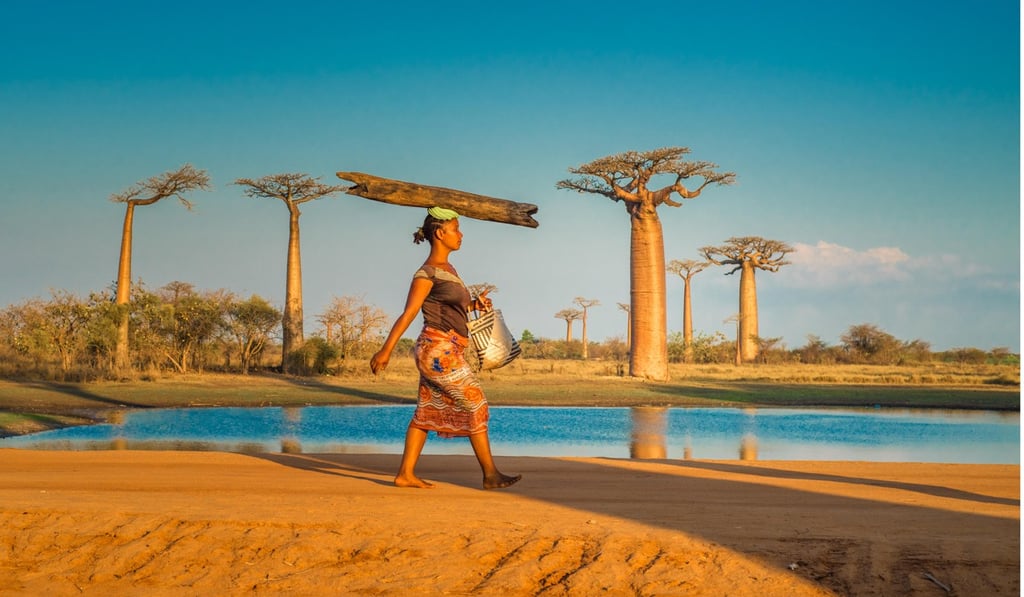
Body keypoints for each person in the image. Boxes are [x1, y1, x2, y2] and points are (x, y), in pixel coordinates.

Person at [370, 206, 522, 490]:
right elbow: (409, 312)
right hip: (438, 350)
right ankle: (490, 474)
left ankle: (405, 474)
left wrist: (475, 305)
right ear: (440, 233)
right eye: (456, 229)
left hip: (446, 349)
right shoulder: (426, 274)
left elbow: (453, 307)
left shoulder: (448, 270)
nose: (461, 234)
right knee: (476, 403)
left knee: (426, 410)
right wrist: (385, 350)